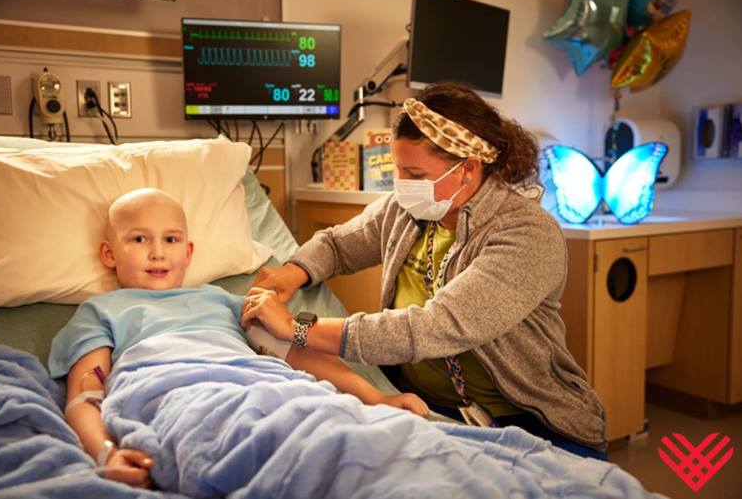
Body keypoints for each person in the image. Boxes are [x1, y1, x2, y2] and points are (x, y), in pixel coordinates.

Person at [241, 82, 608, 459]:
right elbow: (338, 244)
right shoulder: (408, 209)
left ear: (468, 168)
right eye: (398, 170)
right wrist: (292, 272)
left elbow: (434, 327)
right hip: (422, 403)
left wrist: (296, 329)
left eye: (415, 174)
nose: (402, 186)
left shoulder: (526, 233)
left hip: (522, 417)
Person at [48, 187, 428, 489]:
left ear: (189, 251)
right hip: (173, 391)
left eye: (171, 239)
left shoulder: (223, 301)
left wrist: (377, 398)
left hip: (260, 384)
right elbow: (85, 395)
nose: (158, 253)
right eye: (139, 240)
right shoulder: (102, 311)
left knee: (341, 430)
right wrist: (106, 453)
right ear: (109, 254)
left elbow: (296, 357)